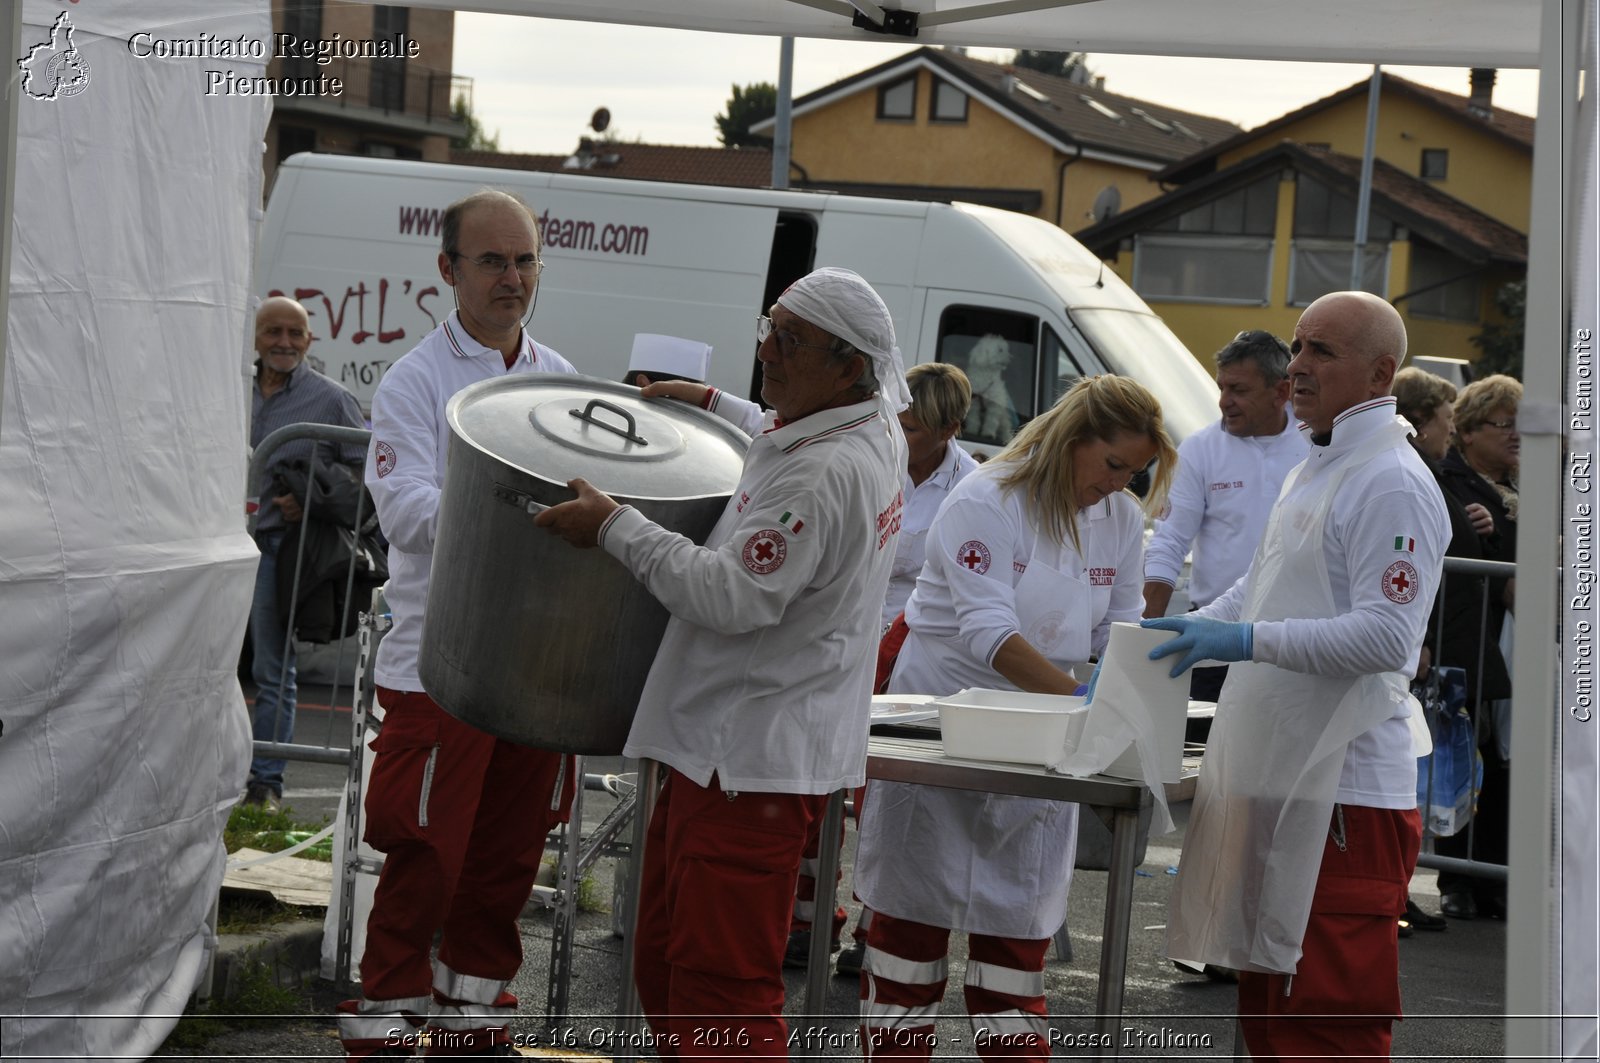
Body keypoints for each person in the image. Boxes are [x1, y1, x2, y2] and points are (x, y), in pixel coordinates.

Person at [535, 266, 909, 1059]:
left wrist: (614, 525)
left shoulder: (824, 470)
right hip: (734, 756)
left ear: (850, 364)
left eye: (792, 340)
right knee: (670, 964)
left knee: (719, 993)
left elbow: (734, 595)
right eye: (769, 327)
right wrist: (714, 405)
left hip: (744, 764)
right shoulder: (869, 424)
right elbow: (785, 427)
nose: (767, 350)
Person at [1145, 291, 1449, 1061]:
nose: (1298, 364)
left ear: (1381, 372)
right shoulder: (1319, 463)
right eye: (1298, 343)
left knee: (1323, 1024)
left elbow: (1387, 635)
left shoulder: (1391, 480)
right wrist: (1188, 631)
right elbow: (1265, 581)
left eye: (1321, 351)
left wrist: (1244, 638)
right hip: (1287, 769)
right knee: (1270, 1008)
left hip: (1345, 786)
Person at [853, 375, 1176, 1062]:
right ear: (1074, 440)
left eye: (1136, 472)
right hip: (942, 723)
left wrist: (1124, 694)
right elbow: (989, 634)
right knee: (909, 938)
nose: (1121, 484)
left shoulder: (1118, 519)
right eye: (1113, 464)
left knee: (1014, 942)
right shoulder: (988, 498)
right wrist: (1084, 701)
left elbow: (1123, 623)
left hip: (1041, 737)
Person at [338, 190, 580, 1060]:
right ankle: (384, 1031)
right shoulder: (413, 380)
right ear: (447, 271)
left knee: (507, 861)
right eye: (492, 261)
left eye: (524, 261)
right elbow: (403, 512)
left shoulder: (559, 376)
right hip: (438, 666)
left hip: (532, 667)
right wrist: (521, 512)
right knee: (426, 858)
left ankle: (474, 1026)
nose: (512, 278)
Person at [785, 361, 978, 979]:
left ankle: (874, 924)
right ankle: (806, 920)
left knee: (883, 797)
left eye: (915, 428)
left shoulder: (972, 488)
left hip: (912, 651)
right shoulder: (875, 459)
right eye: (897, 418)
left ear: (949, 429)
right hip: (843, 638)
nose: (901, 432)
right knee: (816, 780)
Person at [244, 295, 365, 812]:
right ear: (255, 338)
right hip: (216, 546)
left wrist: (312, 500)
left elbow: (369, 478)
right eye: (273, 332)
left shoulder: (331, 400)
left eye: (295, 333)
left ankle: (265, 784)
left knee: (273, 669)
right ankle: (198, 775)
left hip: (278, 552)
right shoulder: (229, 389)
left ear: (310, 340)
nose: (284, 343)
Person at [1141, 329, 1308, 703]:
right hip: (1213, 630)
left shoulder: (1315, 443)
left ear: (1282, 392)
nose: (1224, 401)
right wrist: (1146, 630)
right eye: (1221, 387)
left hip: (1291, 637)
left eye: (1239, 390)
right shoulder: (1200, 449)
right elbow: (1168, 542)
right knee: (1202, 755)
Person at [1433, 372, 1522, 921]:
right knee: (1470, 755)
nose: (1517, 435)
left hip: (1517, 642)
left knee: (1509, 763)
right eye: (1504, 424)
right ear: (1467, 431)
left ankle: (1495, 877)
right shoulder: (1453, 482)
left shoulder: (1537, 482)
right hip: (1477, 640)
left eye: (1522, 426)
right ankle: (1459, 879)